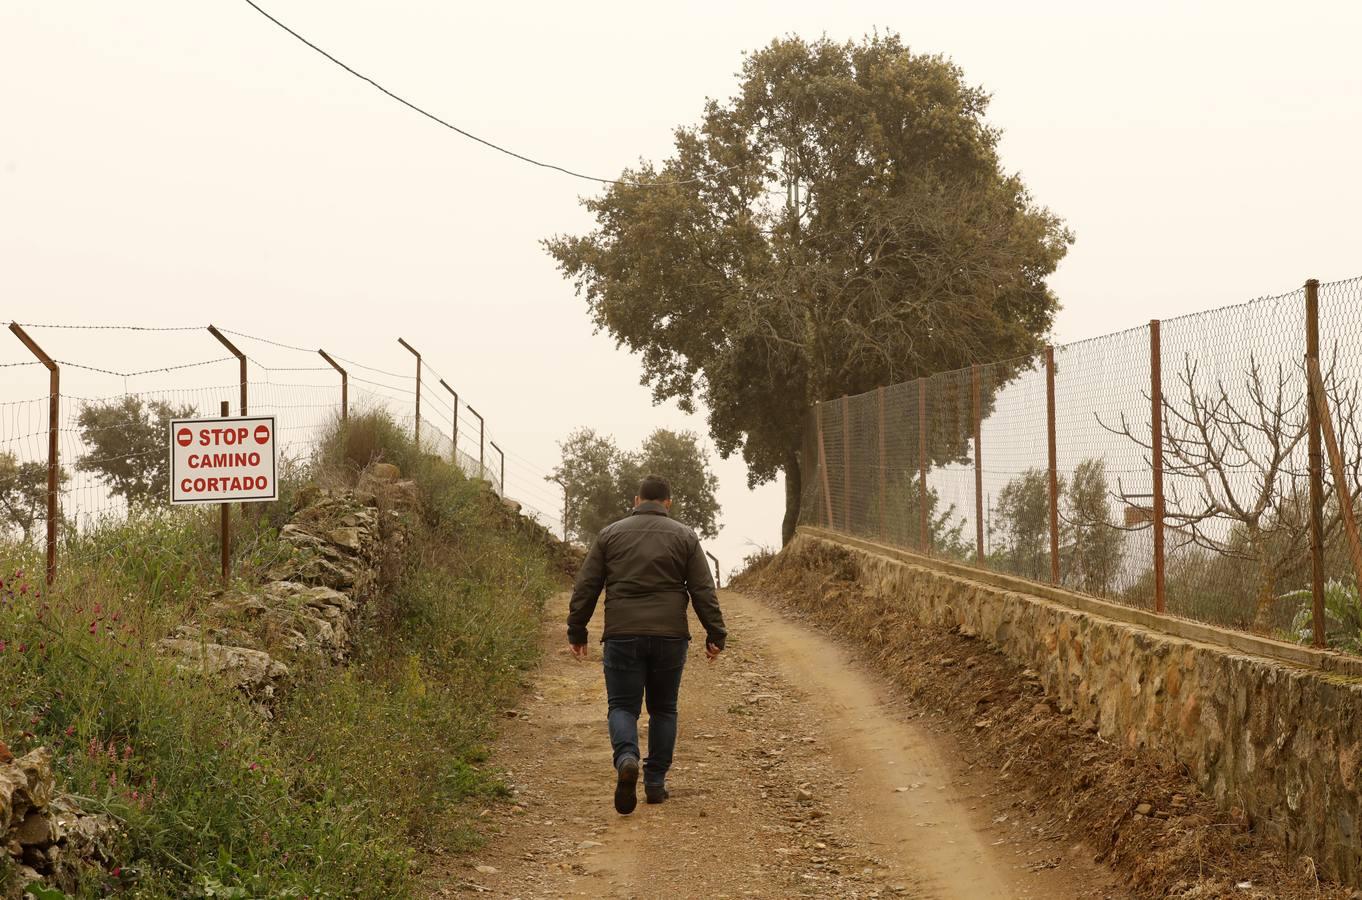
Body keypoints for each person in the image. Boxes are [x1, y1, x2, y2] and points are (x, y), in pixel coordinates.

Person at [567, 474, 727, 815]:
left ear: (636, 501)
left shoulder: (610, 534)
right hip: (670, 636)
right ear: (667, 503)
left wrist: (576, 630)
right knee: (663, 709)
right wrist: (716, 634)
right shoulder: (685, 536)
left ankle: (627, 758)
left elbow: (587, 585)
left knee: (623, 707)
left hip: (623, 633)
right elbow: (702, 589)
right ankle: (655, 784)